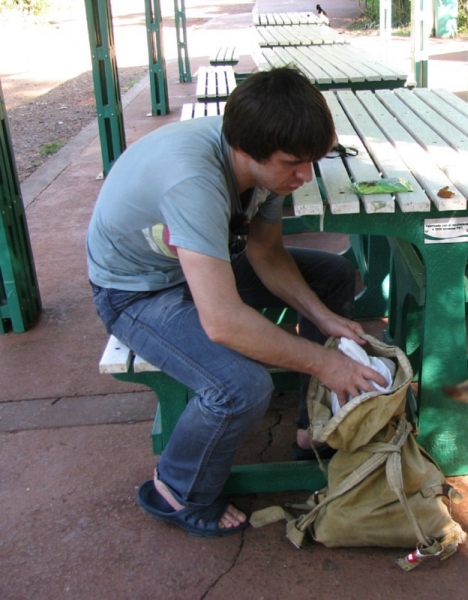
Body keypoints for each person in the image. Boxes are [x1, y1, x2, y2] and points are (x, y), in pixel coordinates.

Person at [86, 66, 386, 538]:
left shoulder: (264, 159)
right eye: (293, 163)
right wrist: (323, 365)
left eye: (312, 160)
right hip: (136, 289)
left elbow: (265, 252)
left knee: (332, 276)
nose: (304, 175)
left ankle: (313, 428)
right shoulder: (194, 181)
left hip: (199, 262)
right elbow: (223, 322)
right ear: (246, 151)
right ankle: (176, 490)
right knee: (240, 386)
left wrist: (321, 317)